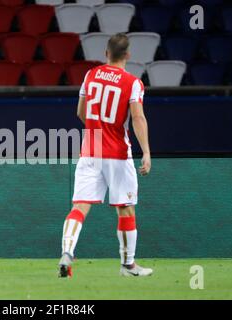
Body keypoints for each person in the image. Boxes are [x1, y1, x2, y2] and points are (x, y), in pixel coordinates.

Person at [58, 33, 153, 277]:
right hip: (118, 154)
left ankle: (67, 251)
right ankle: (128, 265)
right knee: (125, 208)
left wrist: (94, 128)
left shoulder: (90, 76)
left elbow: (80, 112)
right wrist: (146, 151)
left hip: (90, 150)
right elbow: (138, 117)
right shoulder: (132, 83)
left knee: (79, 206)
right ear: (128, 55)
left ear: (106, 54)